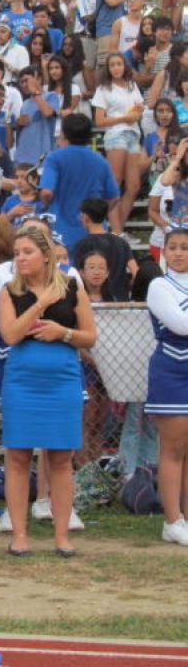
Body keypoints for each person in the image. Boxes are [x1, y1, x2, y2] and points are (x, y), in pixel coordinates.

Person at [0, 223, 96, 556]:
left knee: (61, 459)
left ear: (45, 255)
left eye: (27, 252)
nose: (21, 259)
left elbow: (90, 336)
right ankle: (20, 535)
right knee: (18, 456)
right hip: (22, 380)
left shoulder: (72, 286)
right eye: (16, 253)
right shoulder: (9, 291)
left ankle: (61, 536)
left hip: (63, 380)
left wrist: (62, 332)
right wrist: (40, 306)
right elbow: (10, 335)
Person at [145, 227, 188, 545]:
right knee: (173, 449)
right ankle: (172, 519)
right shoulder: (159, 285)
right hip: (172, 371)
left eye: (185, 247)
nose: (178, 252)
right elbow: (179, 324)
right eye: (172, 247)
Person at [39, 114, 119, 250]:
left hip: (61, 230)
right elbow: (114, 197)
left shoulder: (54, 158)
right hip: (93, 230)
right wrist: (98, 215)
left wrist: (47, 206)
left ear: (64, 133)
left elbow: (46, 192)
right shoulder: (100, 160)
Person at [92, 52, 144, 241]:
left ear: (125, 66)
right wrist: (124, 118)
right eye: (112, 64)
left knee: (134, 185)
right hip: (115, 135)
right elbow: (99, 120)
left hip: (133, 134)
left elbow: (139, 106)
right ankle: (117, 231)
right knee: (115, 181)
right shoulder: (104, 89)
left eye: (119, 64)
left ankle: (117, 231)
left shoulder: (132, 86)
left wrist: (137, 113)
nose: (116, 68)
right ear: (108, 68)